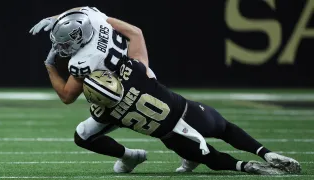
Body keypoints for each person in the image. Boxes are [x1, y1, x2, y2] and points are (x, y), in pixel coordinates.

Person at [82, 56, 301, 175]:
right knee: (226, 129)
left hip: (175, 138)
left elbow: (94, 127)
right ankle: (265, 153)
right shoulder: (134, 73)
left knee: (212, 159)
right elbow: (134, 45)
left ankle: (245, 167)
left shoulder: (103, 113)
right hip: (193, 114)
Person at [29, 6, 157, 173]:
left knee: (83, 136)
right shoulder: (96, 19)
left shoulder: (85, 60)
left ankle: (132, 157)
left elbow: (67, 96)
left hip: (122, 99)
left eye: (66, 43)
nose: (61, 48)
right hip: (142, 78)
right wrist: (56, 18)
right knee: (168, 124)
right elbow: (82, 10)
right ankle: (185, 152)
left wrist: (49, 66)